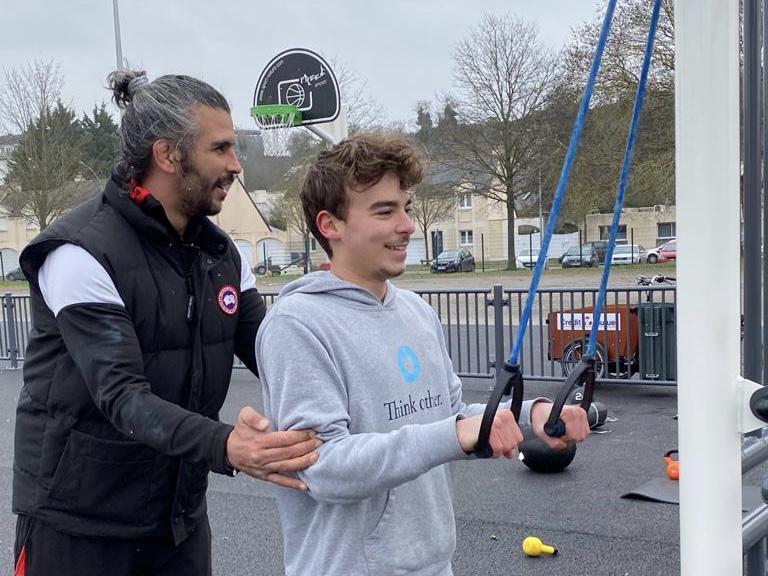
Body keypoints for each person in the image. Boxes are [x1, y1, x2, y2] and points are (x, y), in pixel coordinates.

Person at [12, 69, 321, 576]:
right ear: (167, 154)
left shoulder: (221, 253)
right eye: (220, 149)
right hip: (78, 525)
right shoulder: (79, 252)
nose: (236, 165)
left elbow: (271, 351)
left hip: (177, 519)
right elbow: (122, 396)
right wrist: (229, 446)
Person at [255, 133, 590, 576]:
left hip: (433, 565)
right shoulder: (296, 324)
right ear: (330, 225)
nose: (407, 225)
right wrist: (455, 434)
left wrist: (535, 413)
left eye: (407, 208)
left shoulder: (416, 310)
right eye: (385, 211)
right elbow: (324, 467)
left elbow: (449, 415)